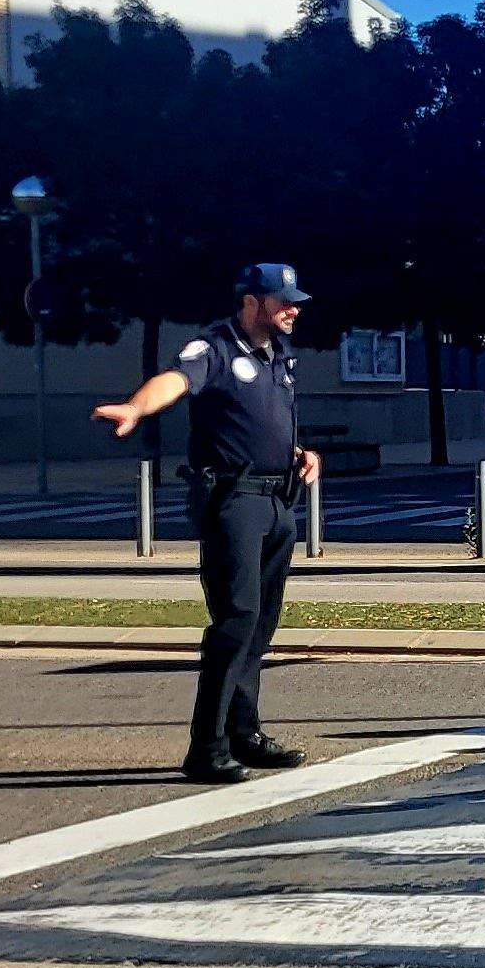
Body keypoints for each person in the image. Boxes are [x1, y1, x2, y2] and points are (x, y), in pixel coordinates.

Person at [92, 262, 323, 782]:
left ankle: (246, 733)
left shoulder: (280, 356)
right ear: (251, 302)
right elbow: (174, 380)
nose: (294, 308)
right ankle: (207, 746)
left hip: (277, 503)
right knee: (235, 620)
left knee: (260, 626)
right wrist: (135, 407)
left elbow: (265, 423)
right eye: (282, 300)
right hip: (233, 500)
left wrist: (303, 453)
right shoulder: (216, 348)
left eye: (294, 300)